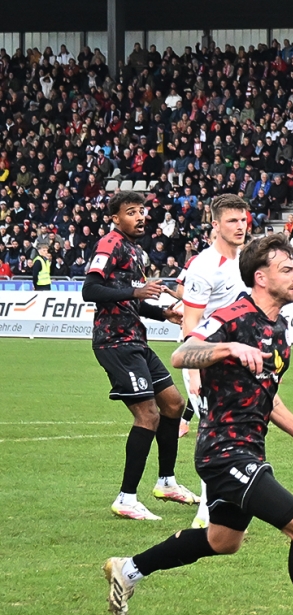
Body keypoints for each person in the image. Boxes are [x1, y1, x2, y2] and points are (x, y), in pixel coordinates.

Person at [102, 232, 293, 615]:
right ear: (261, 277)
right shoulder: (233, 315)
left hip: (248, 449)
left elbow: (267, 393)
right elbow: (182, 354)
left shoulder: (278, 328)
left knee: (222, 541)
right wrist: (228, 348)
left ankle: (128, 569)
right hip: (225, 452)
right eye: (287, 269)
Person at [83, 191, 192, 520]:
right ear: (115, 218)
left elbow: (132, 300)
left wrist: (163, 314)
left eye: (142, 211)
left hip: (135, 339)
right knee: (147, 415)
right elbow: (90, 289)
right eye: (131, 212)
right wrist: (136, 290)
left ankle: (166, 482)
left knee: (173, 404)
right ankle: (126, 498)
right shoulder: (110, 244)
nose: (141, 216)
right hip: (114, 341)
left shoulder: (136, 250)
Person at [178, 194, 252, 530]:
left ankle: (226, 502)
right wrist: (194, 372)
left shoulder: (247, 259)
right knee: (216, 434)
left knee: (238, 432)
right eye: (232, 221)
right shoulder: (205, 265)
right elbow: (190, 325)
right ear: (216, 224)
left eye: (243, 220)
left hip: (238, 358)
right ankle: (207, 513)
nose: (240, 226)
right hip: (207, 360)